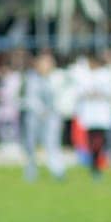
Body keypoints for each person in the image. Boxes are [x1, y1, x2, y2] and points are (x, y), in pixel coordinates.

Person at [20, 52, 65, 182]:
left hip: (52, 117)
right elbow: (30, 98)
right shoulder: (31, 78)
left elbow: (60, 98)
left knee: (52, 144)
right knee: (30, 145)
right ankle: (30, 172)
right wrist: (41, 111)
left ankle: (58, 171)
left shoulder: (56, 78)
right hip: (34, 117)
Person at [74, 53, 111, 178]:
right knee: (91, 140)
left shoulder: (105, 75)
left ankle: (99, 163)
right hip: (90, 113)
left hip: (101, 113)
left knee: (100, 140)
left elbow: (110, 90)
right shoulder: (84, 75)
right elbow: (79, 91)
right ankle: (94, 164)